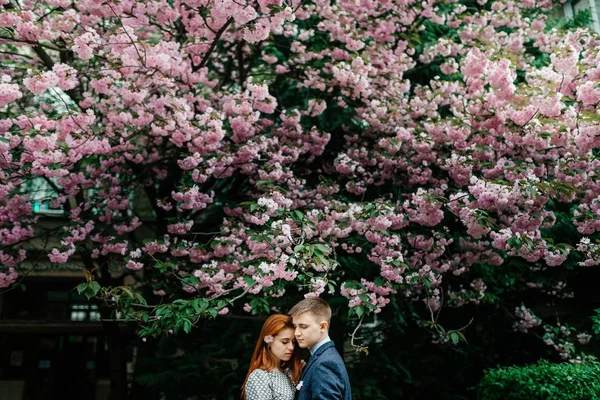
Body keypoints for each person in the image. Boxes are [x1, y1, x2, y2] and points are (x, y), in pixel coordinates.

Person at [289, 297, 351, 400]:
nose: (296, 333)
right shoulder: (322, 357)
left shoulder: (325, 363)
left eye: (303, 326)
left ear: (322, 326)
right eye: (295, 326)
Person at [242, 314, 303, 400]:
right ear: (268, 341)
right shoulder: (260, 377)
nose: (291, 347)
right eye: (285, 342)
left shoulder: (288, 373)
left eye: (293, 342)